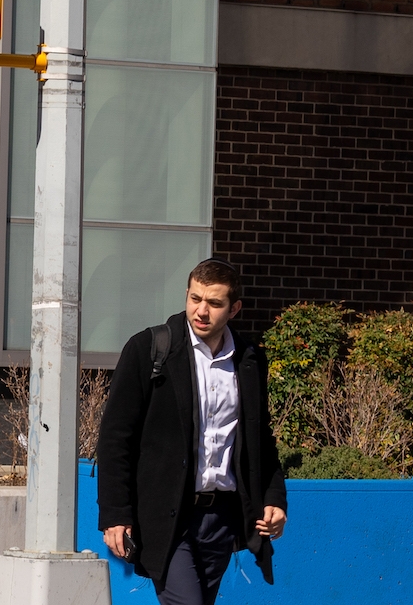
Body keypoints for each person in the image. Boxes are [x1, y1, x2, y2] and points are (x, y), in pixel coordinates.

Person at [95, 258, 287, 605]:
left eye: (214, 303)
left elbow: (261, 440)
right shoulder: (149, 349)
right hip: (167, 516)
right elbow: (114, 438)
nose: (201, 311)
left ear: (234, 309)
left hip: (222, 519)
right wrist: (115, 514)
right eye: (195, 298)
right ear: (186, 294)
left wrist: (274, 497)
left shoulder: (249, 360)